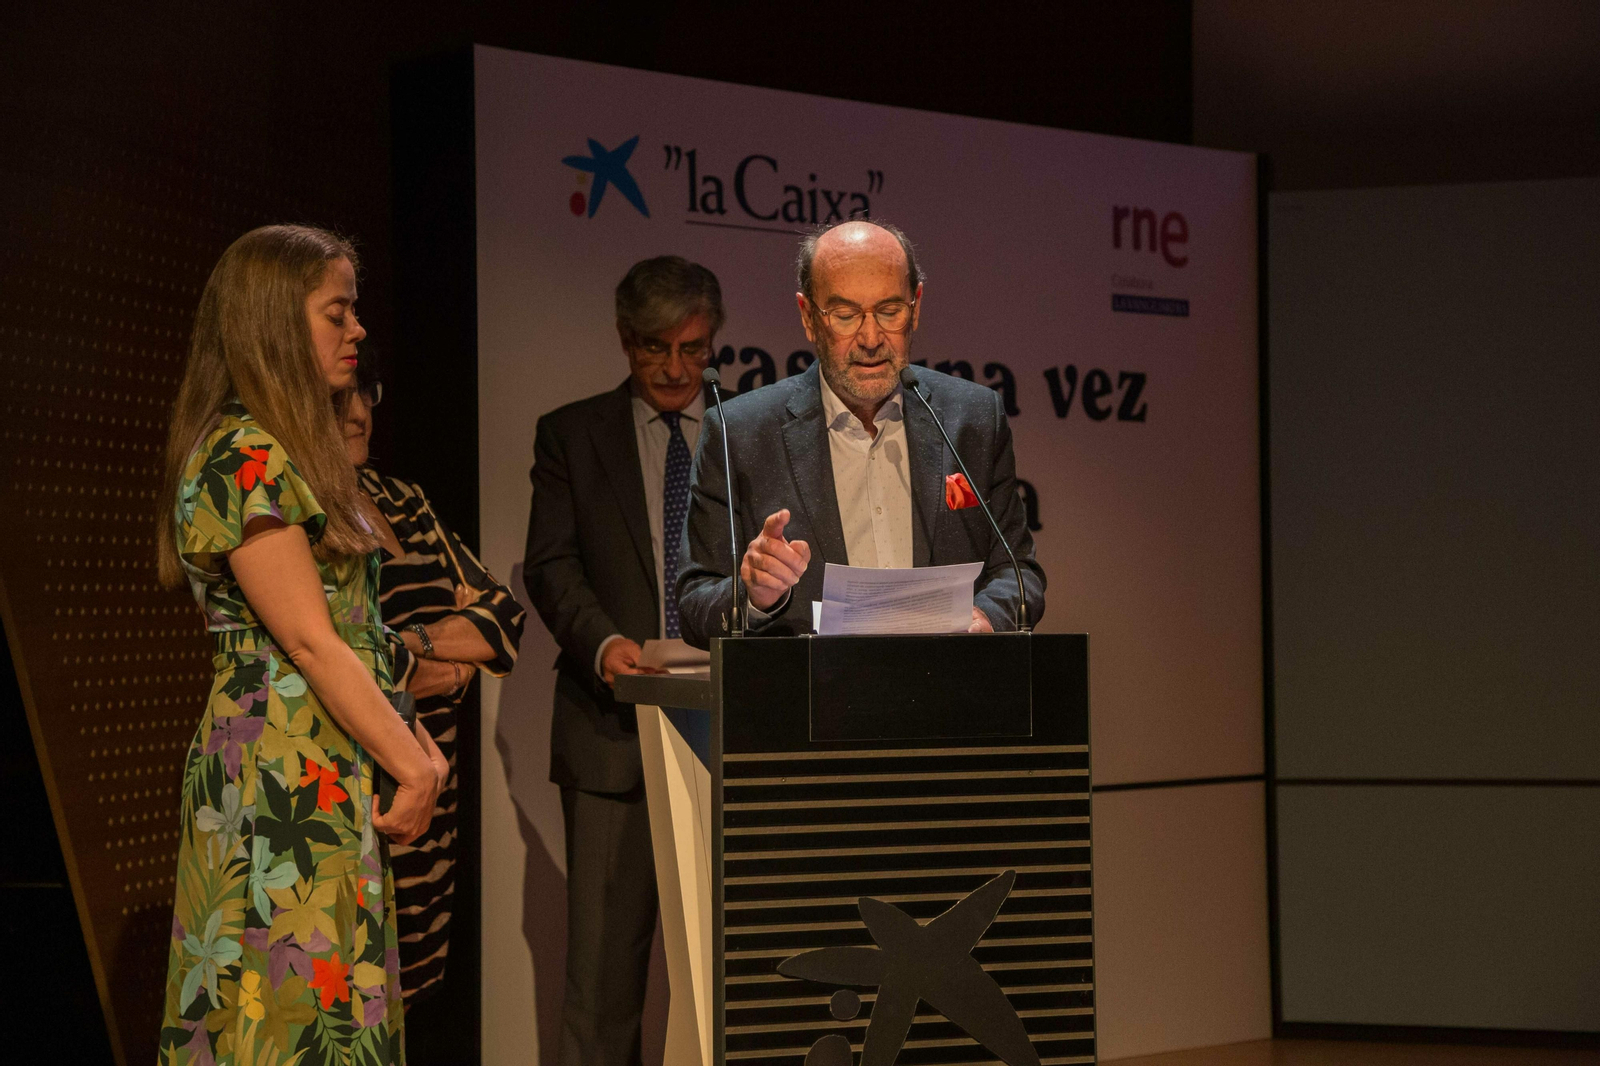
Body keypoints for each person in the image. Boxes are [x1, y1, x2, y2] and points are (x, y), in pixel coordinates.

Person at [155, 225, 447, 1066]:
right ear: (278, 325)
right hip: (279, 774)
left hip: (328, 758)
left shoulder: (295, 452)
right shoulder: (242, 456)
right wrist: (418, 765)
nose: (358, 332)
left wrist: (407, 738)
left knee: (331, 1006)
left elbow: (355, 635)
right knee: (280, 1012)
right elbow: (311, 644)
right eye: (337, 313)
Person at [522, 255, 723, 1066]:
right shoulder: (571, 434)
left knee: (734, 984)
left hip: (734, 736)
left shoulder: (753, 430)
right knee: (604, 991)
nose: (675, 369)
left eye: (694, 348)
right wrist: (607, 645)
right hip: (612, 738)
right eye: (653, 349)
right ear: (622, 339)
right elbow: (550, 565)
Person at [677, 219, 1045, 645]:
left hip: (946, 697)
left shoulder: (973, 419)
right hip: (809, 702)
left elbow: (1019, 574)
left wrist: (986, 618)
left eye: (890, 311)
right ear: (809, 317)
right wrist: (754, 595)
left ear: (916, 307)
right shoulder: (741, 432)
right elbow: (694, 604)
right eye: (846, 315)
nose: (871, 338)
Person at [339, 364, 525, 1009]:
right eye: (341, 397)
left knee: (409, 998)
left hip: (432, 795)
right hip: (359, 789)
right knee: (351, 1001)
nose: (360, 412)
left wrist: (412, 645)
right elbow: (345, 653)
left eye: (367, 392)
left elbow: (502, 619)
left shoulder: (401, 500)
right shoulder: (302, 508)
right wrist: (441, 659)